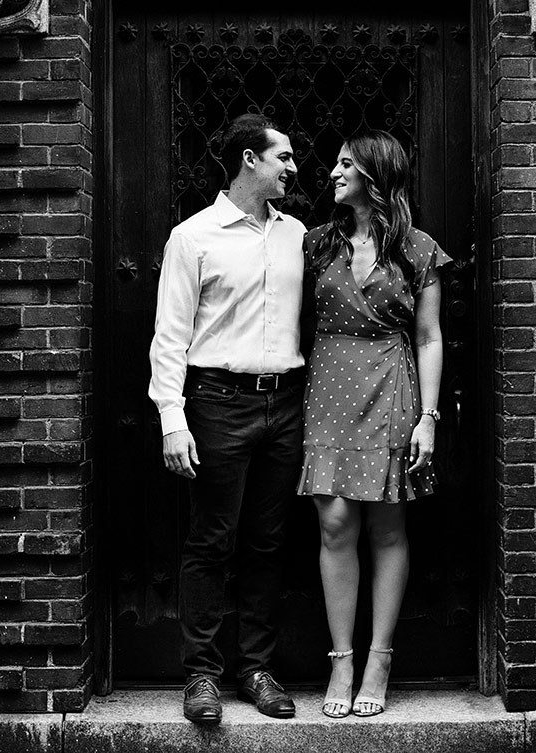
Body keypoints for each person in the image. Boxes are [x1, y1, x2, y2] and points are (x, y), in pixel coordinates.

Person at [148, 112, 306, 726]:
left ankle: (256, 670)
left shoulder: (297, 234)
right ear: (249, 160)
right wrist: (172, 417)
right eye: (282, 156)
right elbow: (170, 335)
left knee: (268, 541)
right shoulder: (193, 237)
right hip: (217, 402)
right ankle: (202, 676)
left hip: (285, 404)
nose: (293, 167)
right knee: (212, 540)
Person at [297, 130, 451, 718]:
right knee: (335, 524)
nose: (333, 172)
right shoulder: (317, 243)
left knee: (387, 527)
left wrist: (428, 418)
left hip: (392, 384)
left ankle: (379, 659)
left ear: (375, 174)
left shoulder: (418, 249)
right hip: (330, 386)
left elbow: (430, 337)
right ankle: (341, 659)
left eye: (345, 164)